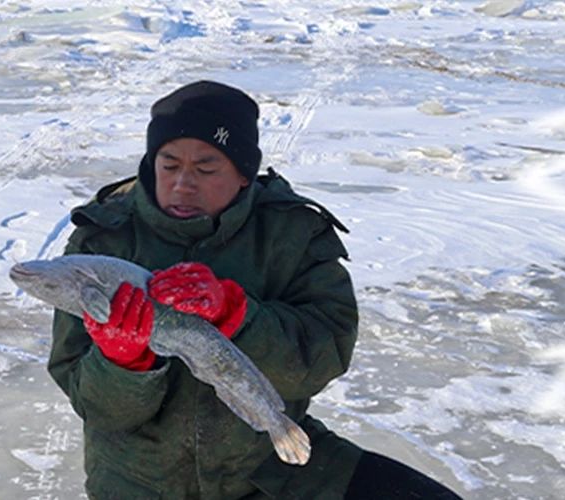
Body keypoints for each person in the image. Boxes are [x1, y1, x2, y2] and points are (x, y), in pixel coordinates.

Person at [47, 80, 462, 499]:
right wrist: (122, 362)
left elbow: (324, 355)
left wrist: (237, 315)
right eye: (169, 165)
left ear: (244, 174)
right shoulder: (103, 241)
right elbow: (100, 410)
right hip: (141, 483)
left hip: (270, 469)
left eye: (206, 169)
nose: (183, 184)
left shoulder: (292, 232)